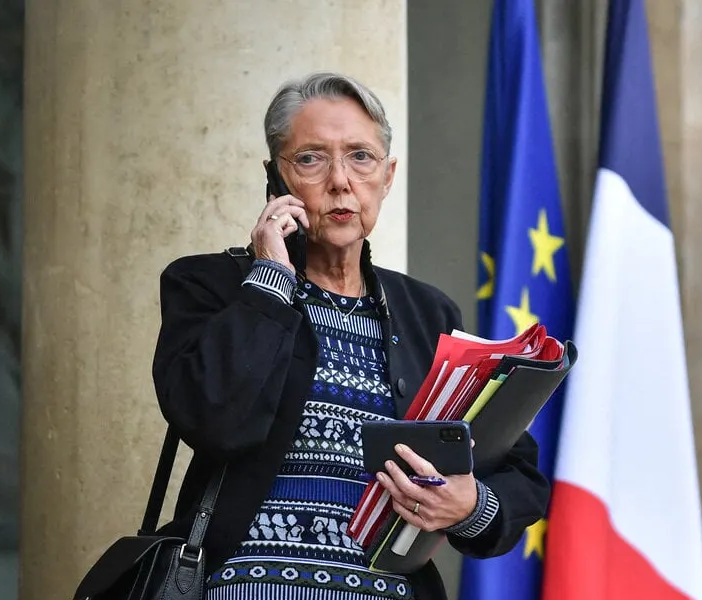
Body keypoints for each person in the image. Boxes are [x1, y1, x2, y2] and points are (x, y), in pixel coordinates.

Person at [151, 71, 549, 600]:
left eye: (361, 157)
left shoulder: (426, 313)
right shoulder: (211, 285)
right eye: (312, 158)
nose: (341, 180)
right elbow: (213, 419)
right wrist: (269, 278)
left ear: (387, 177)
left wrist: (470, 506)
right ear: (277, 179)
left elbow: (514, 464)